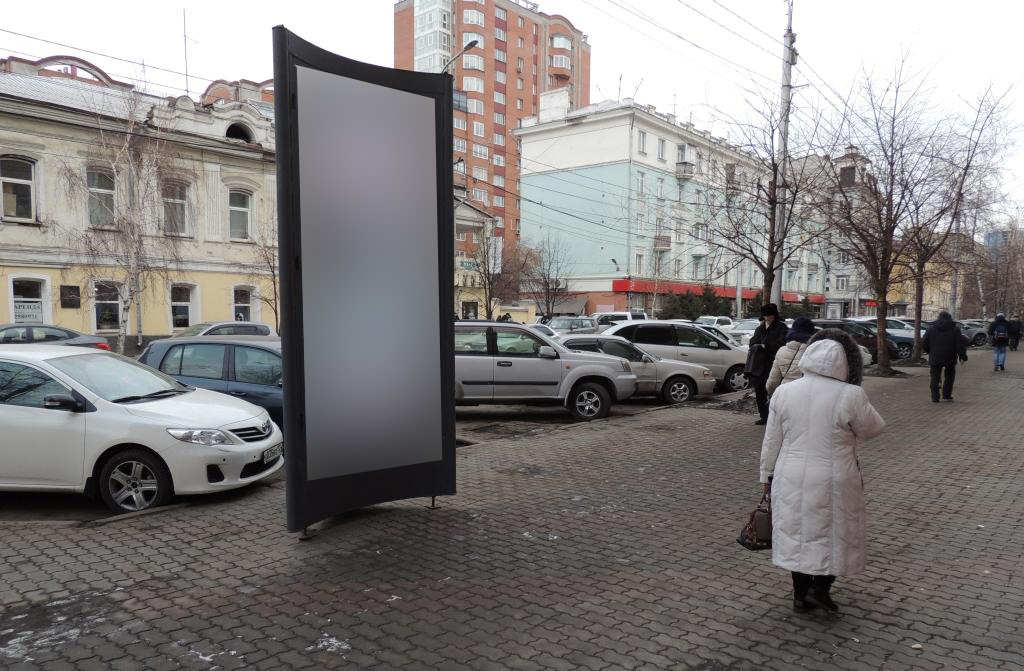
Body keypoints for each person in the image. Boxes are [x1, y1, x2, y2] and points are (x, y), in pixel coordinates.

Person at [759, 329, 886, 613]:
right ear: (843, 363)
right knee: (833, 533)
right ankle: (820, 589)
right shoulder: (851, 395)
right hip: (836, 477)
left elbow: (771, 441)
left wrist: (766, 477)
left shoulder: (784, 392)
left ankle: (799, 596)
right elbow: (874, 428)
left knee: (797, 534)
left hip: (789, 475)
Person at [747, 303, 788, 425]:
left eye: (769, 316)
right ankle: (764, 416)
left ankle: (775, 416)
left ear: (774, 315)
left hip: (773, 363)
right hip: (759, 364)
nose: (767, 319)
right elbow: (752, 341)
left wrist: (767, 346)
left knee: (773, 390)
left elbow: (783, 343)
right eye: (765, 316)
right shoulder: (760, 328)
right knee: (759, 390)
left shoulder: (781, 327)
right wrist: (757, 345)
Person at [923, 311, 968, 402]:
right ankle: (947, 394)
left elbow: (925, 343)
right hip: (950, 356)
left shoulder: (930, 329)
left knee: (934, 377)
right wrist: (962, 356)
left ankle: (935, 397)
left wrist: (930, 351)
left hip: (935, 356)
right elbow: (959, 344)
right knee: (949, 376)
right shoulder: (955, 329)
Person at [766, 316, 815, 395]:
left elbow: (773, 381)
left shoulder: (782, 351)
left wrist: (770, 393)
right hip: (806, 394)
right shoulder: (815, 352)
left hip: (785, 393)